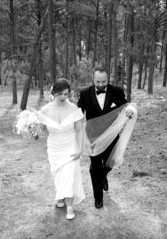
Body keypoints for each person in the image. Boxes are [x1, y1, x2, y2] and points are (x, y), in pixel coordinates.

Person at [77, 65, 135, 209]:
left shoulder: (117, 91)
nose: (101, 84)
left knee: (112, 162)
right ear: (93, 79)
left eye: (104, 82)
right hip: (93, 137)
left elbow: (126, 105)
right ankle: (98, 198)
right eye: (98, 82)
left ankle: (103, 176)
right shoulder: (84, 93)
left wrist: (130, 110)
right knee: (94, 168)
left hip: (111, 135)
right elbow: (78, 112)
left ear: (107, 79)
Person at [37, 78, 85, 220]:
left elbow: (80, 131)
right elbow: (43, 130)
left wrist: (80, 149)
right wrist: (32, 129)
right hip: (54, 148)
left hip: (70, 147)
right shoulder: (45, 110)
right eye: (61, 94)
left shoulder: (74, 109)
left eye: (66, 94)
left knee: (69, 176)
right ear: (54, 93)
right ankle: (60, 195)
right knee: (58, 176)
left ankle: (70, 207)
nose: (64, 97)